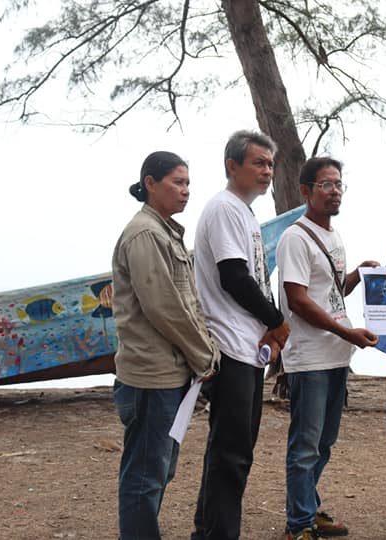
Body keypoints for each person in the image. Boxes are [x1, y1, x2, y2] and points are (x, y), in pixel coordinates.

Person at [112, 151, 219, 539]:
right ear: (150, 183)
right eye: (177, 182)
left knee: (159, 469)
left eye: (188, 183)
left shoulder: (165, 232)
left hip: (170, 374)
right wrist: (205, 356)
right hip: (150, 377)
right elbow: (164, 307)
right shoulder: (146, 234)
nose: (185, 191)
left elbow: (188, 302)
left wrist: (202, 353)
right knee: (145, 475)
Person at [191, 130, 291, 540]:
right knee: (231, 453)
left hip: (247, 345)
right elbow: (234, 277)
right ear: (232, 166)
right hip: (229, 345)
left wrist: (268, 330)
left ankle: (207, 531)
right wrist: (276, 320)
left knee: (234, 450)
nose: (267, 171)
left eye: (270, 164)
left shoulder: (245, 213)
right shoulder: (224, 209)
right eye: (258, 163)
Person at [276, 156, 379, 540]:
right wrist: (347, 333)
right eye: (326, 185)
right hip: (310, 357)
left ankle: (308, 506)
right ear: (305, 191)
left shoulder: (333, 237)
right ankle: (299, 524)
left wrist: (358, 274)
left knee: (324, 443)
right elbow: (299, 300)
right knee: (305, 446)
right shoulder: (295, 238)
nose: (335, 191)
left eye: (338, 184)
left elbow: (331, 293)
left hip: (336, 354)